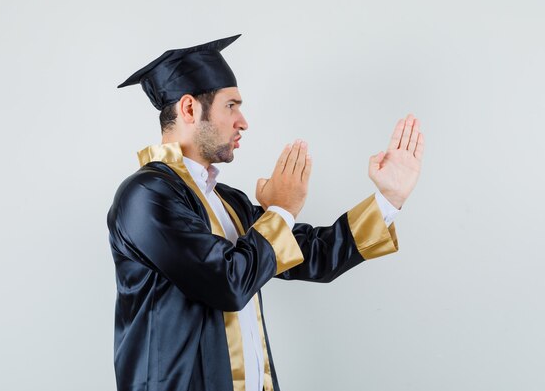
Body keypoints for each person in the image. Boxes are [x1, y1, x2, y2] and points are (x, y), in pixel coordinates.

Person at [107, 34, 424, 391]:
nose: (243, 121)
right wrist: (282, 209)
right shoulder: (146, 196)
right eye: (231, 106)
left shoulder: (226, 200)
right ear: (190, 109)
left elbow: (315, 255)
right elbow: (227, 283)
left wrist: (388, 198)